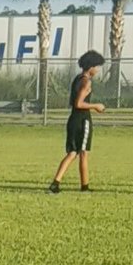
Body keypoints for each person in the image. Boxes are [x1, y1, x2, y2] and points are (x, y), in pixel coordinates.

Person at [49, 51, 106, 193]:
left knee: (73, 153)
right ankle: (84, 186)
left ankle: (56, 183)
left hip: (73, 119)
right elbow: (79, 103)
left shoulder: (77, 79)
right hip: (82, 120)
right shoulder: (86, 81)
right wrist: (96, 106)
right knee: (83, 153)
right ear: (91, 66)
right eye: (97, 67)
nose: (98, 70)